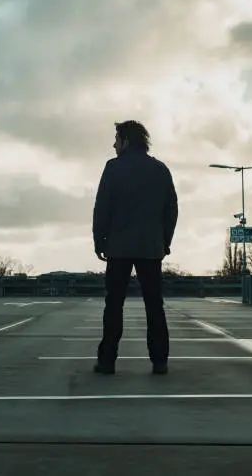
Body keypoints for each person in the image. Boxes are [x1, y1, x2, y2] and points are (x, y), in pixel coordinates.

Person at [92, 120, 178, 375]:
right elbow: (171, 208)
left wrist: (100, 240)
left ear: (126, 141)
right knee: (154, 305)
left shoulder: (113, 168)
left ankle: (107, 360)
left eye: (116, 139)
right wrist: (165, 241)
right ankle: (159, 360)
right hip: (151, 247)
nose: (114, 144)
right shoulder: (160, 169)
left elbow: (102, 207)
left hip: (118, 247)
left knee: (114, 305)